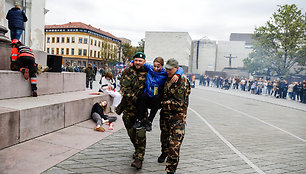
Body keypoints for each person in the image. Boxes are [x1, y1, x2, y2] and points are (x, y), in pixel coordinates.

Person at [130, 57, 183, 131]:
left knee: (157, 98)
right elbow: (140, 62)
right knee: (142, 97)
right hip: (147, 94)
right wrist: (132, 62)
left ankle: (149, 121)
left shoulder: (165, 72)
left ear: (162, 66)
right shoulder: (150, 68)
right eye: (154, 66)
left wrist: (177, 75)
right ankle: (138, 120)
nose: (156, 68)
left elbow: (179, 69)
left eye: (158, 66)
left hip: (156, 97)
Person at [158, 58, 191, 174]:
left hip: (178, 118)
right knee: (164, 138)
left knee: (174, 145)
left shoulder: (182, 81)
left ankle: (170, 170)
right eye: (166, 69)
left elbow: (178, 104)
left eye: (170, 69)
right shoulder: (168, 77)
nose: (168, 71)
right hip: (165, 116)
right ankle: (164, 152)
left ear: (176, 68)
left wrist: (161, 103)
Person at [116, 52, 147, 170]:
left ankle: (139, 158)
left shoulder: (148, 72)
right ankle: (137, 149)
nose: (138, 62)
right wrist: (136, 99)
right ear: (133, 61)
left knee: (140, 134)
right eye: (136, 60)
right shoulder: (127, 72)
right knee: (131, 133)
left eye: (140, 60)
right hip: (128, 109)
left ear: (144, 61)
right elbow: (124, 88)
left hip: (141, 111)